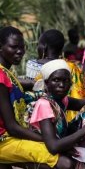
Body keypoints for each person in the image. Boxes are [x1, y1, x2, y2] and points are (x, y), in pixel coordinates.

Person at [0, 26, 73, 169]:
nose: (20, 51)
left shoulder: (6, 73)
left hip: (10, 137)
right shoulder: (1, 77)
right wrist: (47, 140)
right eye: (14, 47)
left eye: (22, 47)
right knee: (64, 162)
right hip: (5, 140)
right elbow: (12, 127)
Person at [27, 59, 85, 168]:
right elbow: (53, 146)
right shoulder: (44, 104)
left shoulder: (62, 100)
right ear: (47, 83)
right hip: (45, 150)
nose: (62, 85)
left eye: (66, 80)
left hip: (58, 145)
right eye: (56, 80)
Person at [25, 29, 85, 121]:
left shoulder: (32, 64)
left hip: (39, 117)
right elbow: (78, 94)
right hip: (68, 117)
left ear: (44, 46)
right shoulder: (71, 67)